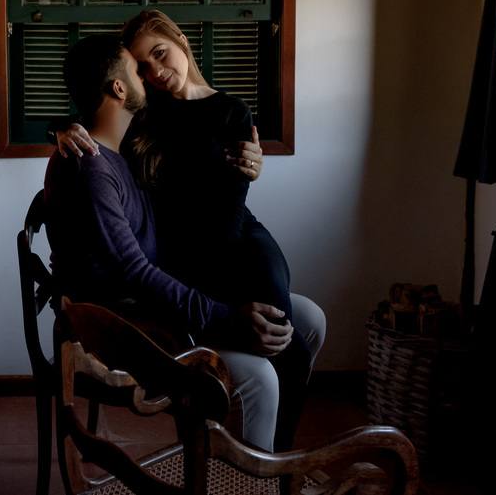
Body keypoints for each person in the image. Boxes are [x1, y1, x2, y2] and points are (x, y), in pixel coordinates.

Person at [44, 34, 322, 452]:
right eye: (138, 70)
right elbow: (134, 274)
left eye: (157, 58)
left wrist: (249, 164)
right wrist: (226, 318)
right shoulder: (90, 168)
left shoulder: (120, 149)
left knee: (311, 319)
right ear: (119, 88)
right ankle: (255, 474)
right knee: (263, 375)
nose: (149, 77)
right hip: (131, 323)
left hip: (160, 296)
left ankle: (262, 458)